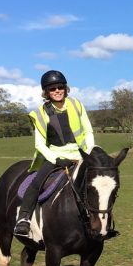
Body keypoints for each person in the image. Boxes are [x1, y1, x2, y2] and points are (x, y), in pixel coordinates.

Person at [14, 70, 96, 238]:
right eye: (52, 89)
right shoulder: (39, 114)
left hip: (81, 154)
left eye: (60, 87)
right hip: (55, 155)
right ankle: (24, 218)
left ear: (66, 89)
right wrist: (57, 159)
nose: (57, 91)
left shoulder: (77, 105)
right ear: (46, 92)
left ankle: (103, 221)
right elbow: (39, 144)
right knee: (37, 182)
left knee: (101, 182)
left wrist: (87, 154)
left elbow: (88, 131)